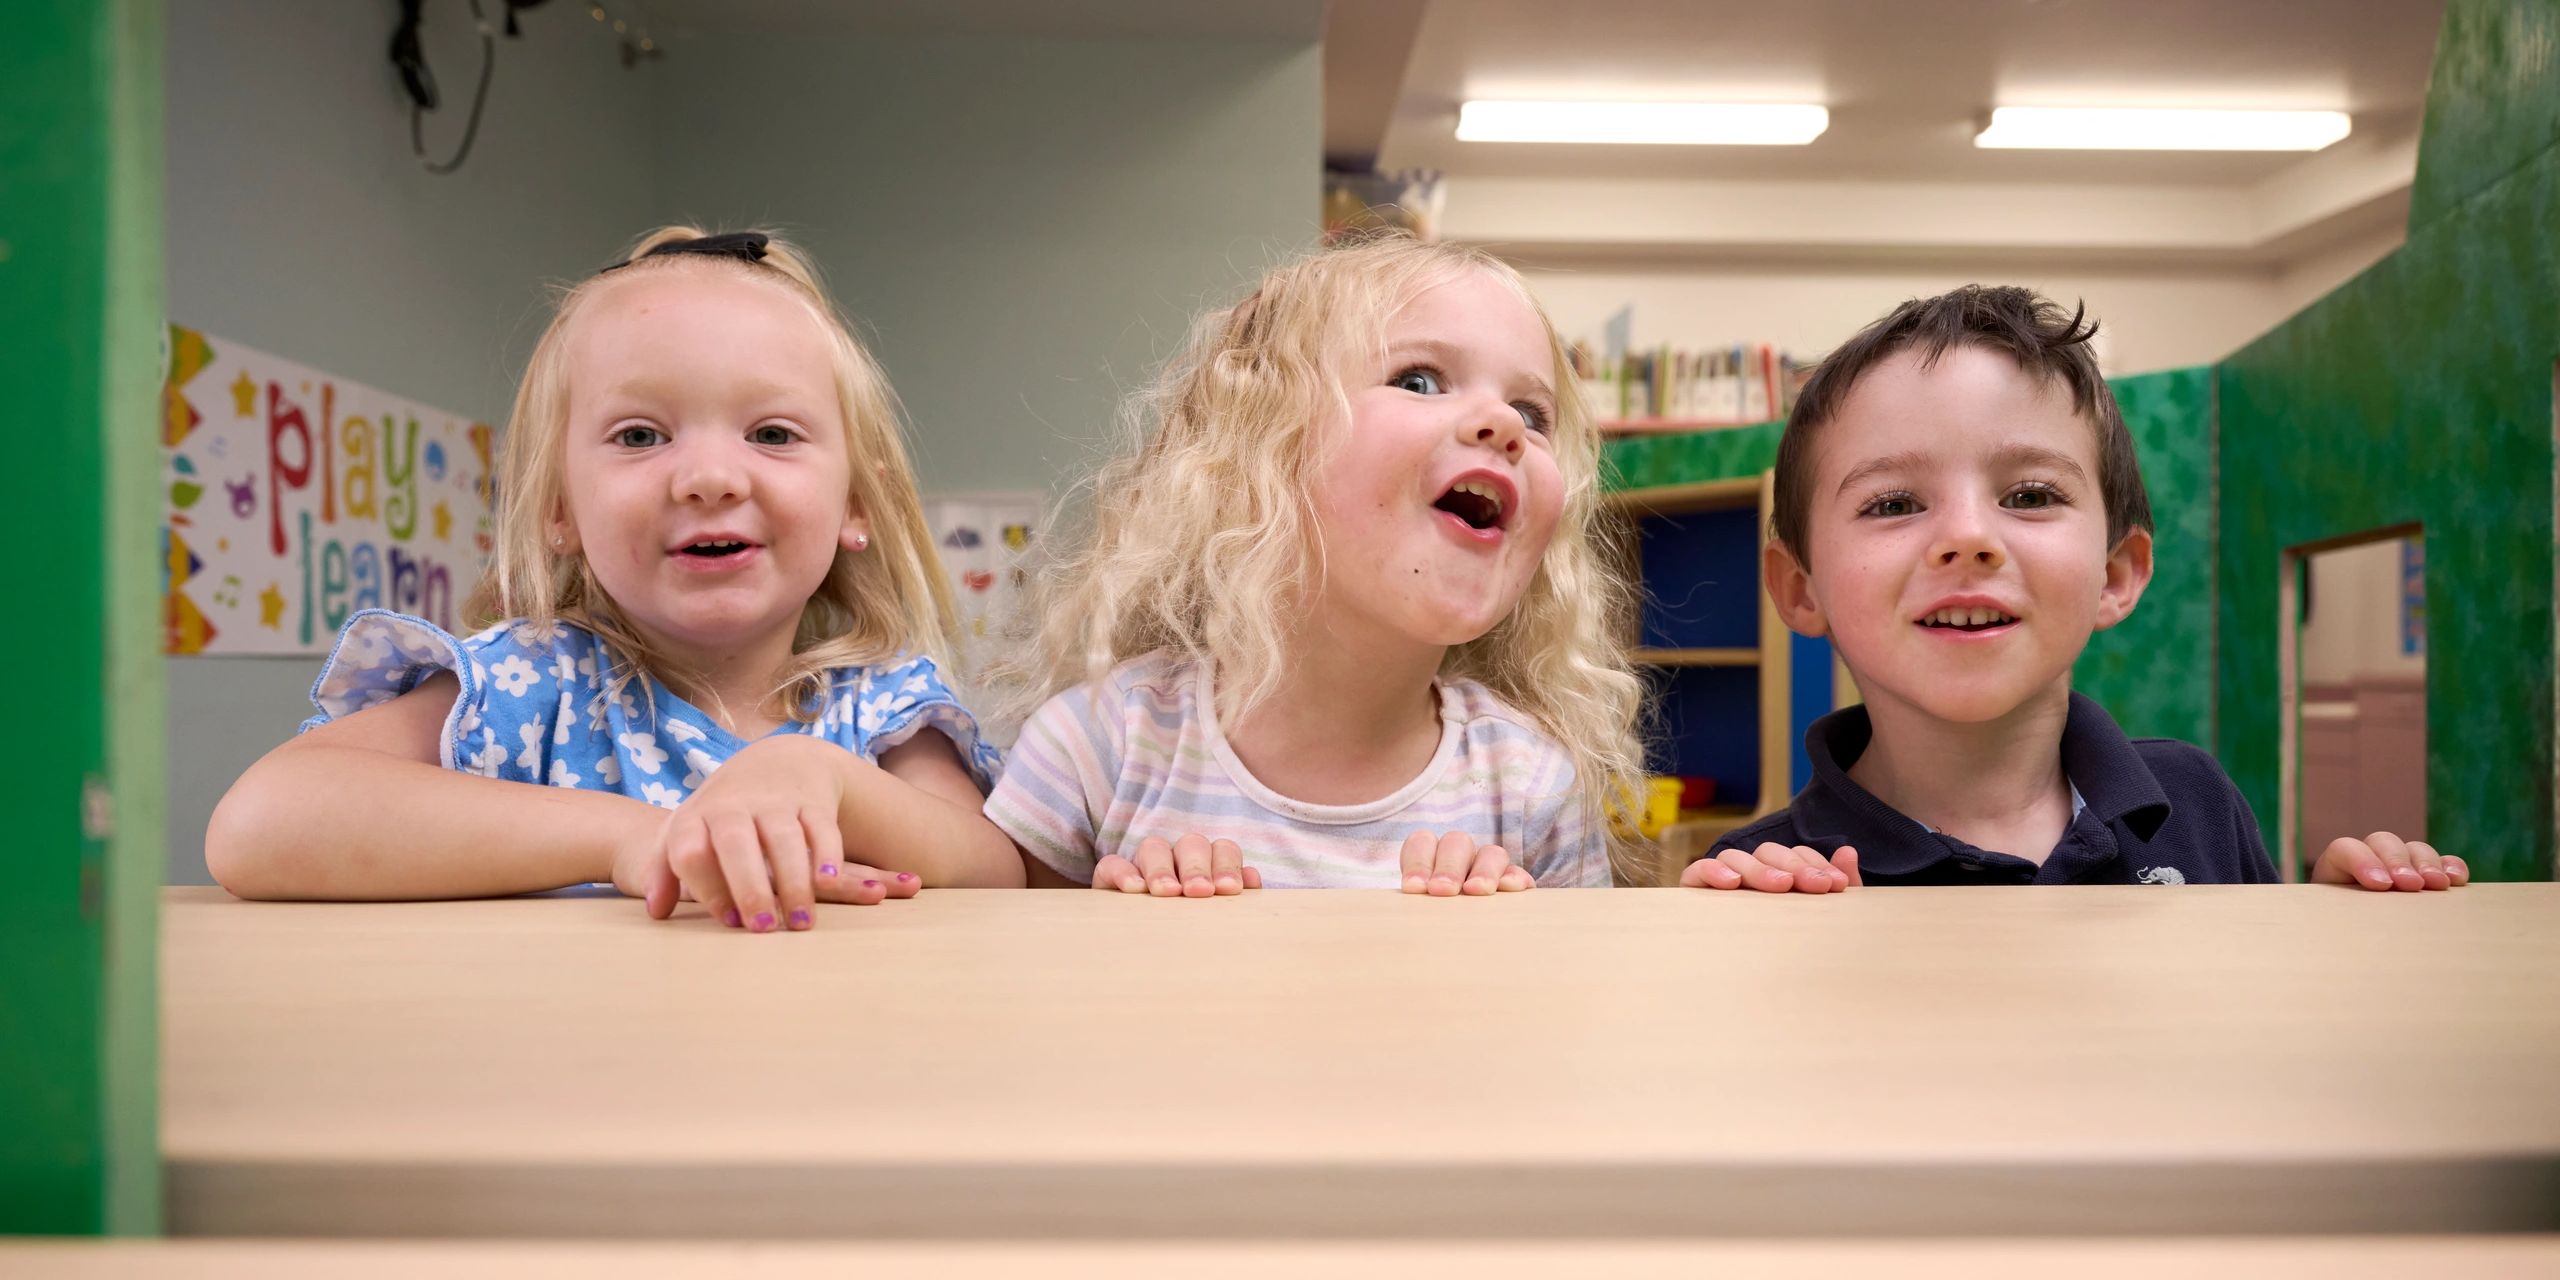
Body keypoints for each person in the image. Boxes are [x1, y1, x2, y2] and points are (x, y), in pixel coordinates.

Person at [208, 227, 1024, 928]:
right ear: (560, 506)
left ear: (857, 502)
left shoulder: (879, 708)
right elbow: (260, 824)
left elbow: (1000, 868)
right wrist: (636, 837)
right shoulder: (529, 685)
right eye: (640, 437)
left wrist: (829, 783)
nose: (710, 477)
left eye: (771, 432)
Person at [1687, 285, 2465, 892]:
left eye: (2029, 496)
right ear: (1800, 589)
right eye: (1893, 503)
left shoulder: (2194, 801)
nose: (1970, 537)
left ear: (2115, 575)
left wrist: (2332, 944)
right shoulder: (1765, 873)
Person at [985, 234, 1644, 894]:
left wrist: (1505, 947)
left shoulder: (1531, 788)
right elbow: (1009, 981)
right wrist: (1125, 930)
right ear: (1262, 446)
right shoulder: (1100, 747)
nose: (1501, 423)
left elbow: (1576, 997)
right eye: (1418, 381)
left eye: (1533, 413)